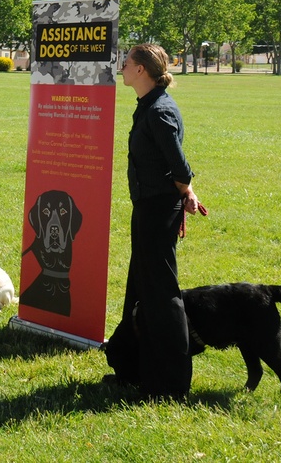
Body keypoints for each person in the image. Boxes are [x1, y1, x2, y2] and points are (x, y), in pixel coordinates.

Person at [113, 43, 201, 398]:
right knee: (140, 289)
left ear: (141, 71)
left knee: (162, 295)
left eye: (126, 62)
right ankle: (133, 369)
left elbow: (179, 167)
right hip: (147, 207)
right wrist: (186, 190)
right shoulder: (148, 106)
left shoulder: (159, 111)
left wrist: (187, 190)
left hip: (158, 211)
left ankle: (171, 384)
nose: (121, 66)